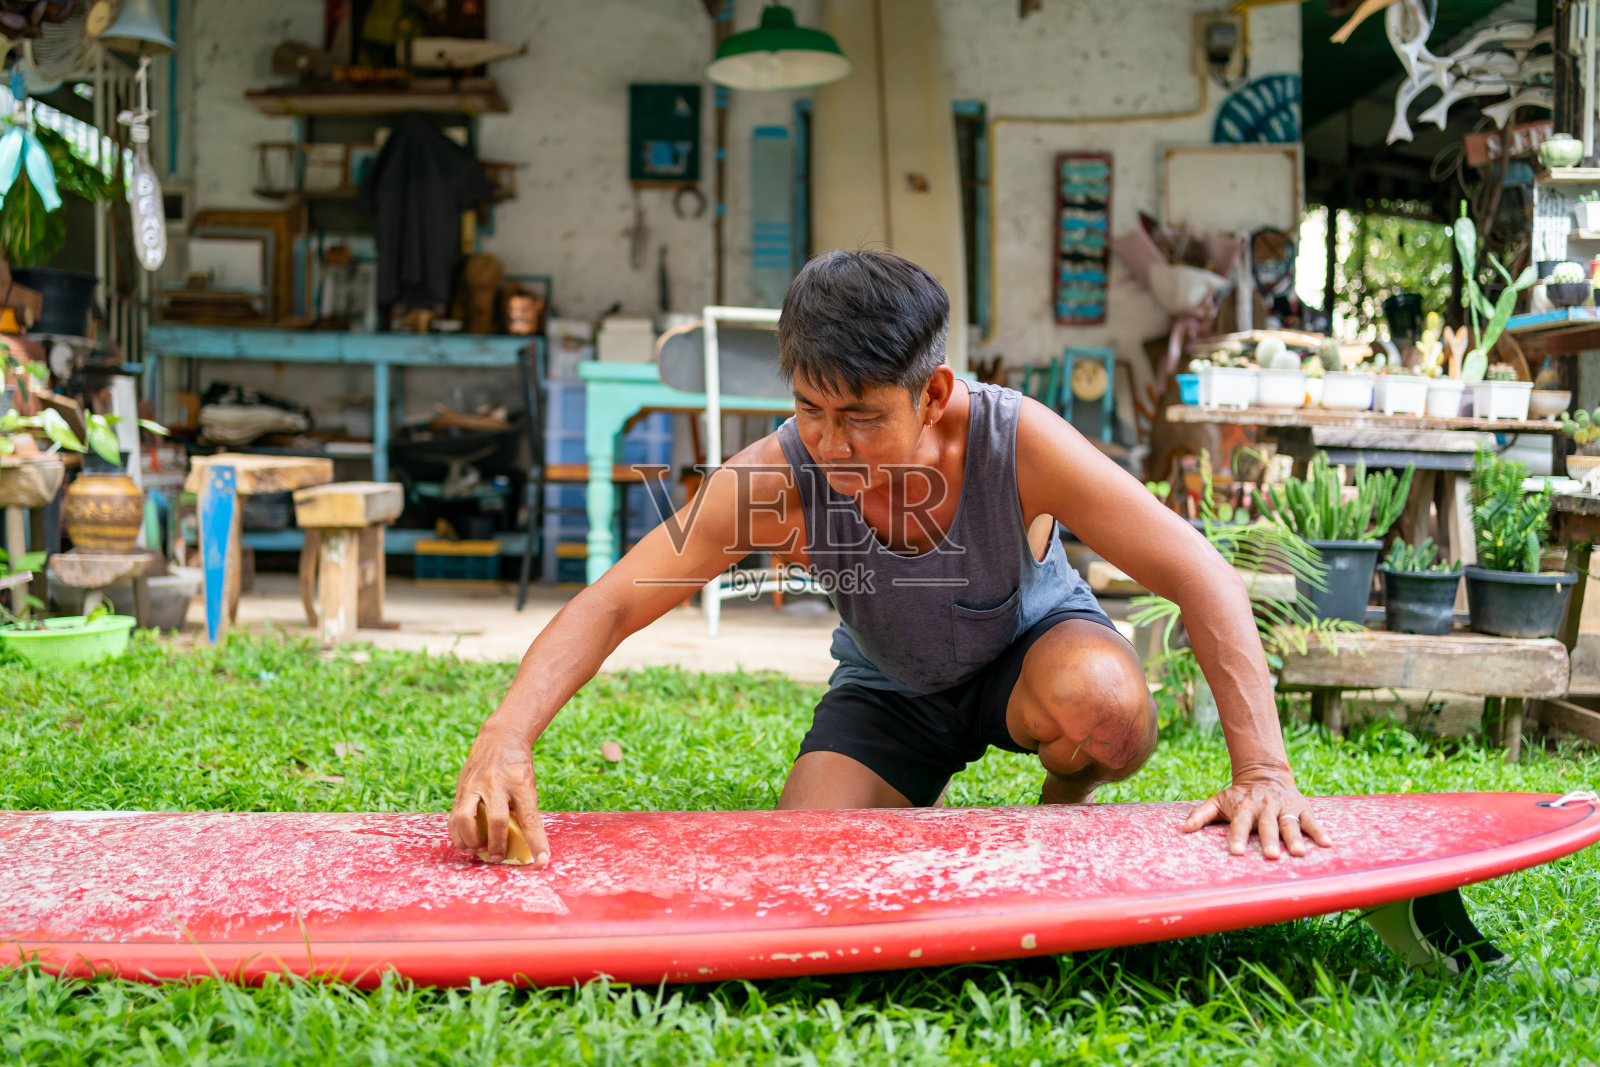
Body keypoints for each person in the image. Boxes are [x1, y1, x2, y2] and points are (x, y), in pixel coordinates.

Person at [450, 250, 1330, 866]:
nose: (831, 442)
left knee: (1106, 708)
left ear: (933, 393)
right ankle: (915, 796)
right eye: (811, 409)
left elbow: (1198, 570)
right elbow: (614, 600)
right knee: (811, 856)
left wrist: (1263, 773)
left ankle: (1062, 813)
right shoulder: (778, 473)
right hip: (891, 688)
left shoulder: (1018, 441)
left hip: (1030, 656)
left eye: (862, 416)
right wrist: (504, 737)